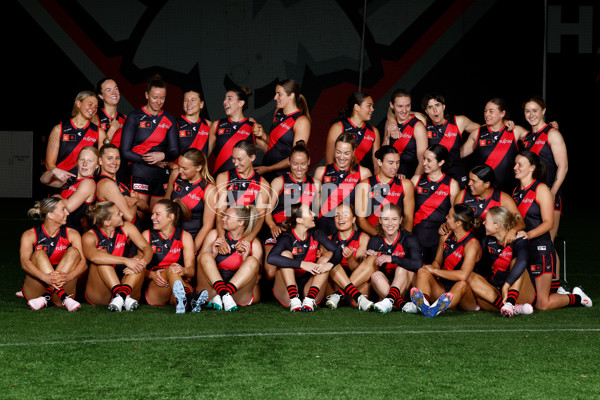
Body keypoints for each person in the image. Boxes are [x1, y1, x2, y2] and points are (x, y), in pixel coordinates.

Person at [512, 151, 591, 310]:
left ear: (532, 168)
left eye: (520, 164)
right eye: (515, 164)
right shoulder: (515, 192)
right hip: (523, 250)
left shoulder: (541, 189)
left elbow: (548, 223)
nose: (515, 167)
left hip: (541, 249)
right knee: (529, 299)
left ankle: (576, 297)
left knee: (542, 304)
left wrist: (528, 235)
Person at [120, 76, 179, 219]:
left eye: (162, 98)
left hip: (160, 175)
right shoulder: (135, 117)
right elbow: (124, 151)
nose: (158, 102)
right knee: (137, 218)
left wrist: (163, 156)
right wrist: (150, 160)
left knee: (158, 219)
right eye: (154, 98)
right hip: (139, 173)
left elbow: (175, 150)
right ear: (146, 95)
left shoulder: (169, 118)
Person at [267, 203, 343, 312]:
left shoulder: (316, 233)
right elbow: (271, 258)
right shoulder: (287, 237)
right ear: (299, 220)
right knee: (285, 254)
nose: (314, 214)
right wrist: (302, 264)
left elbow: (337, 251)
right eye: (309, 212)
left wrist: (329, 265)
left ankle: (308, 301)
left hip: (310, 288)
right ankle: (294, 300)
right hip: (286, 291)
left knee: (325, 259)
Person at [410, 204, 481, 318]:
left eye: (449, 216)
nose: (446, 218)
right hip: (443, 288)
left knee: (461, 284)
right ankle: (425, 306)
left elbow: (463, 275)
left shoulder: (472, 244)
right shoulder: (445, 236)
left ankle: (435, 308)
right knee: (422, 271)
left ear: (458, 223)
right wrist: (431, 269)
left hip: (464, 297)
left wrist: (435, 272)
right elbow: (437, 262)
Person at [514, 96, 568, 247]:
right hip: (531, 196)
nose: (531, 115)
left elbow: (563, 166)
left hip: (550, 194)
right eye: (527, 111)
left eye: (535, 110)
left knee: (547, 245)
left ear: (543, 111)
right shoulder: (527, 137)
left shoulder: (553, 134)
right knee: (533, 245)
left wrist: (552, 192)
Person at [263, 140, 320, 281]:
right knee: (270, 272)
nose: (299, 168)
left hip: (303, 236)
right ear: (289, 162)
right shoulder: (279, 182)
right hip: (280, 232)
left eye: (303, 164)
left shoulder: (316, 184)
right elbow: (266, 212)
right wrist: (272, 226)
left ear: (309, 162)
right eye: (295, 163)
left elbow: (317, 216)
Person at [82, 201, 153, 311]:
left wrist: (143, 262)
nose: (122, 214)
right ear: (107, 222)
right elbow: (93, 256)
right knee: (102, 255)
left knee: (138, 259)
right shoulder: (90, 236)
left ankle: (121, 296)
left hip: (127, 285)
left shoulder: (127, 227)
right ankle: (121, 294)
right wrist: (125, 261)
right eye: (118, 213)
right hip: (101, 294)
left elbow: (147, 248)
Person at [19, 198, 86, 311]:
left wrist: (68, 277)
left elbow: (84, 263)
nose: (67, 213)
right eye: (63, 210)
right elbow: (25, 263)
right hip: (37, 289)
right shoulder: (29, 235)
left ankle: (48, 297)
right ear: (50, 215)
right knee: (39, 253)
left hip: (63, 283)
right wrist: (45, 277)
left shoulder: (72, 234)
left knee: (74, 252)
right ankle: (63, 297)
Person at [467, 206, 535, 317]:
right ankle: (513, 308)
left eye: (486, 221)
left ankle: (511, 302)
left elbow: (523, 261)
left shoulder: (519, 239)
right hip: (499, 291)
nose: (483, 223)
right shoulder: (487, 240)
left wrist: (506, 286)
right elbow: (480, 268)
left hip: (522, 291)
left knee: (516, 261)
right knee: (470, 278)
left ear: (497, 225)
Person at [196, 206, 263, 311]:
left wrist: (245, 258)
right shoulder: (214, 235)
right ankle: (224, 294)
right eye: (224, 216)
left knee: (252, 261)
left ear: (241, 222)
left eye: (228, 217)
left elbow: (258, 278)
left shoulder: (254, 243)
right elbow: (200, 262)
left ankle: (224, 295)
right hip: (212, 290)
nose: (223, 219)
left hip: (236, 294)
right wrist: (213, 254)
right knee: (205, 256)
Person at [364, 204, 423, 314]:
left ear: (400, 220)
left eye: (394, 219)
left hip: (406, 286)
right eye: (386, 219)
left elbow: (418, 264)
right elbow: (372, 270)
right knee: (375, 275)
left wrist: (392, 259)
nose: (390, 223)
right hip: (385, 286)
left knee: (401, 268)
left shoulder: (408, 238)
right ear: (380, 220)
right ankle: (402, 305)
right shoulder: (375, 241)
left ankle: (390, 300)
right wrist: (369, 259)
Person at [142, 199, 196, 313]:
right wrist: (151, 275)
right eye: (152, 214)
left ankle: (183, 302)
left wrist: (184, 270)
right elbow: (138, 267)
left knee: (176, 274)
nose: (152, 218)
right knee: (172, 270)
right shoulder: (147, 235)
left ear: (170, 217)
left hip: (178, 282)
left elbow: (191, 271)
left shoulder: (184, 236)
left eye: (157, 214)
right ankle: (190, 298)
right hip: (157, 285)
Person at [314, 132, 372, 236]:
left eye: (346, 153)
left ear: (353, 152)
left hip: (350, 231)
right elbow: (311, 205)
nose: (341, 157)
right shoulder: (321, 172)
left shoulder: (363, 173)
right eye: (338, 152)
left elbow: (368, 210)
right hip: (323, 229)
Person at [420, 92, 483, 188]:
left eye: (437, 105)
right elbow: (400, 110)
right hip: (435, 175)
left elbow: (482, 130)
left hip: (457, 174)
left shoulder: (459, 121)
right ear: (426, 111)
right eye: (430, 107)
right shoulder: (424, 123)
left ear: (443, 107)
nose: (435, 110)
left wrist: (503, 122)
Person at [254, 79, 311, 182]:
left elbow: (296, 158)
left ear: (291, 96)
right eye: (276, 94)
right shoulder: (278, 112)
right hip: (267, 171)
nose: (275, 97)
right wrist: (262, 135)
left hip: (284, 177)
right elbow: (276, 145)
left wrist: (268, 169)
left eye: (279, 94)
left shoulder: (301, 121)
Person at [461, 98, 524, 192]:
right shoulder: (477, 133)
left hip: (509, 191)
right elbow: (457, 154)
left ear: (502, 114)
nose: (487, 115)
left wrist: (551, 129)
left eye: (491, 111)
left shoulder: (515, 131)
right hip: (484, 191)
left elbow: (537, 138)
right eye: (485, 111)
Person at [448, 164, 525, 241]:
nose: (469, 184)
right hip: (467, 242)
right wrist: (445, 225)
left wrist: (513, 231)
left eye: (473, 181)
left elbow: (521, 223)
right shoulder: (462, 195)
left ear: (487, 184)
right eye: (469, 179)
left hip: (493, 244)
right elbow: (453, 219)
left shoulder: (503, 198)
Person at [411, 144, 460, 264]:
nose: (424, 163)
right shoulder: (416, 180)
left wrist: (446, 225)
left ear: (441, 162)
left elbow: (455, 214)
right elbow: (406, 210)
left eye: (429, 160)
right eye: (423, 159)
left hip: (439, 235)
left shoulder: (452, 184)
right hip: (417, 234)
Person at [45, 90, 106, 179]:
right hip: (62, 185)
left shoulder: (99, 133)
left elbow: (102, 164)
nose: (93, 109)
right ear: (78, 103)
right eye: (90, 104)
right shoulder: (59, 129)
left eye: (96, 107)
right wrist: (60, 177)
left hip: (86, 185)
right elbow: (49, 164)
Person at [355, 145, 414, 236]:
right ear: (379, 162)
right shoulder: (365, 184)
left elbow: (408, 218)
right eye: (391, 163)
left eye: (397, 162)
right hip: (372, 238)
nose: (395, 167)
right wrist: (382, 239)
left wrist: (403, 240)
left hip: (396, 239)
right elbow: (361, 220)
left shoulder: (406, 185)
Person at [323, 204, 373, 311]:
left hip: (358, 286)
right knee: (327, 257)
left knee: (372, 259)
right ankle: (343, 295)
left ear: (353, 219)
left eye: (345, 215)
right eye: (337, 215)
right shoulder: (328, 239)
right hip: (335, 285)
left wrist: (350, 259)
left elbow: (360, 271)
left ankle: (340, 294)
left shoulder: (363, 237)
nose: (340, 218)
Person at [165, 148, 216, 252]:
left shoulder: (208, 189)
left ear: (198, 167)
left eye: (185, 168)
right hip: (170, 235)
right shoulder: (175, 175)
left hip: (192, 236)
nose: (180, 170)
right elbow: (166, 205)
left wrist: (192, 249)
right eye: (179, 166)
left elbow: (207, 225)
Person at [40, 146, 99, 233]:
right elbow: (43, 180)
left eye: (90, 161)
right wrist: (52, 171)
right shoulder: (70, 179)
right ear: (77, 162)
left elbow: (67, 208)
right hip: (57, 230)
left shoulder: (89, 183)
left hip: (72, 234)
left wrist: (55, 196)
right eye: (82, 160)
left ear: (97, 165)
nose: (85, 164)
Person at [209, 87, 265, 176]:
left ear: (241, 103)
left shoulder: (252, 126)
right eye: (225, 99)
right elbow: (205, 155)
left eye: (229, 98)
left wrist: (263, 135)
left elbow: (271, 151)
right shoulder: (217, 125)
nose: (224, 102)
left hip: (243, 182)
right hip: (219, 181)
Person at [325, 91, 381, 174]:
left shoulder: (374, 132)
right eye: (369, 106)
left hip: (362, 180)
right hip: (339, 179)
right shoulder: (338, 127)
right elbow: (329, 161)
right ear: (356, 107)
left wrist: (377, 184)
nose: (372, 109)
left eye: (372, 106)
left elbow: (377, 164)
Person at [383, 88, 428, 177]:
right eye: (400, 106)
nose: (404, 110)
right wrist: (387, 137)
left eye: (407, 106)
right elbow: (383, 155)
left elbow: (423, 161)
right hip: (391, 176)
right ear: (392, 105)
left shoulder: (418, 126)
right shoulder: (390, 122)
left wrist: (413, 184)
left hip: (410, 176)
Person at [96, 144, 143, 227]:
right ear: (100, 161)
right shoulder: (107, 184)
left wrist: (135, 201)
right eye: (109, 158)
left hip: (135, 230)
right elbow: (129, 217)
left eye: (117, 158)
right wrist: (135, 200)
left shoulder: (120, 184)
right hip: (121, 235)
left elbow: (146, 207)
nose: (114, 162)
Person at [94, 78, 129, 183]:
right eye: (108, 90)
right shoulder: (95, 118)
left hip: (122, 169)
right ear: (101, 96)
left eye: (116, 89)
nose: (114, 92)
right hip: (102, 170)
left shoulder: (126, 118)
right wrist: (113, 129)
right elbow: (97, 150)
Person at [176, 88, 212, 157]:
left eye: (193, 100)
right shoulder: (176, 123)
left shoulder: (209, 125)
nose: (189, 103)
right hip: (179, 167)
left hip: (199, 167)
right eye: (186, 100)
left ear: (201, 104)